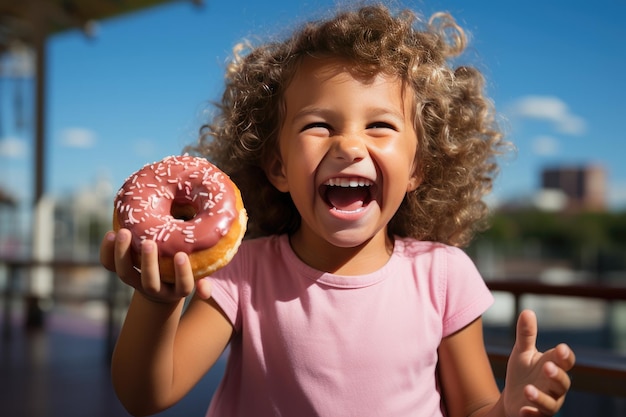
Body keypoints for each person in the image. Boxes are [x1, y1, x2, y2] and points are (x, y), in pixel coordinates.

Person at [100, 3, 576, 417]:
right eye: (318, 125)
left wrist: (511, 407)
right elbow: (147, 395)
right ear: (278, 166)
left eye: (380, 125)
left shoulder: (444, 277)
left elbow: (473, 408)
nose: (349, 144)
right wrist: (158, 301)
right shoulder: (241, 273)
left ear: (418, 169)